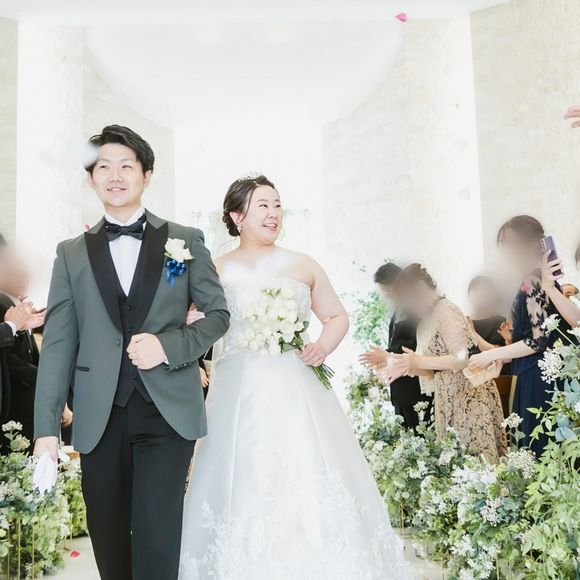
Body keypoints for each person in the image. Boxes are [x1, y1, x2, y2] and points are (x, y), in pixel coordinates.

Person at [179, 174, 413, 579]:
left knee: (309, 462)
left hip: (296, 385)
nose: (274, 213)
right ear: (236, 216)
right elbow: (197, 320)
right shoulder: (217, 269)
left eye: (277, 204)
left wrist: (322, 346)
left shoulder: (303, 264)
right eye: (262, 205)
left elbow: (336, 316)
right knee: (237, 469)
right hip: (238, 389)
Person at [33, 125, 230, 580]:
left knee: (157, 537)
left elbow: (219, 315)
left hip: (167, 411)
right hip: (97, 416)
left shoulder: (185, 239)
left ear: (147, 175)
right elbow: (58, 344)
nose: (115, 175)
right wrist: (46, 429)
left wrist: (168, 346)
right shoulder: (71, 254)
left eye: (126, 165)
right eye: (104, 167)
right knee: (109, 541)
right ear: (90, 178)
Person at [385, 264, 506, 463]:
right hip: (446, 396)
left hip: (468, 396)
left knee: (476, 463)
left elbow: (460, 359)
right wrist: (408, 366)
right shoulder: (426, 321)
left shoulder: (446, 310)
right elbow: (432, 369)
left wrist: (418, 360)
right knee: (456, 463)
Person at [469, 216, 567, 456]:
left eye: (507, 244)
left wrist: (492, 354)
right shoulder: (537, 278)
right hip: (538, 372)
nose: (506, 252)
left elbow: (538, 340)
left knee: (538, 449)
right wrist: (503, 356)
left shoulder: (532, 280)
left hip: (538, 378)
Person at [359, 262, 431, 429]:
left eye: (386, 291)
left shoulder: (417, 309)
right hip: (399, 391)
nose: (385, 296)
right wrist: (382, 359)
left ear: (397, 284)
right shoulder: (398, 311)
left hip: (416, 388)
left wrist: (386, 356)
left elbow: (416, 345)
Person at [0, 250, 45, 443]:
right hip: (13, 397)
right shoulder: (2, 303)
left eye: (27, 276)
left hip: (27, 396)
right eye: (19, 274)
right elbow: (7, 356)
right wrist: (38, 376)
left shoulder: (17, 304)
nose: (25, 280)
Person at [467, 275, 512, 347]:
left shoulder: (500, 322)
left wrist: (473, 332)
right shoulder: (464, 321)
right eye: (475, 289)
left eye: (483, 290)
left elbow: (498, 351)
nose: (478, 294)